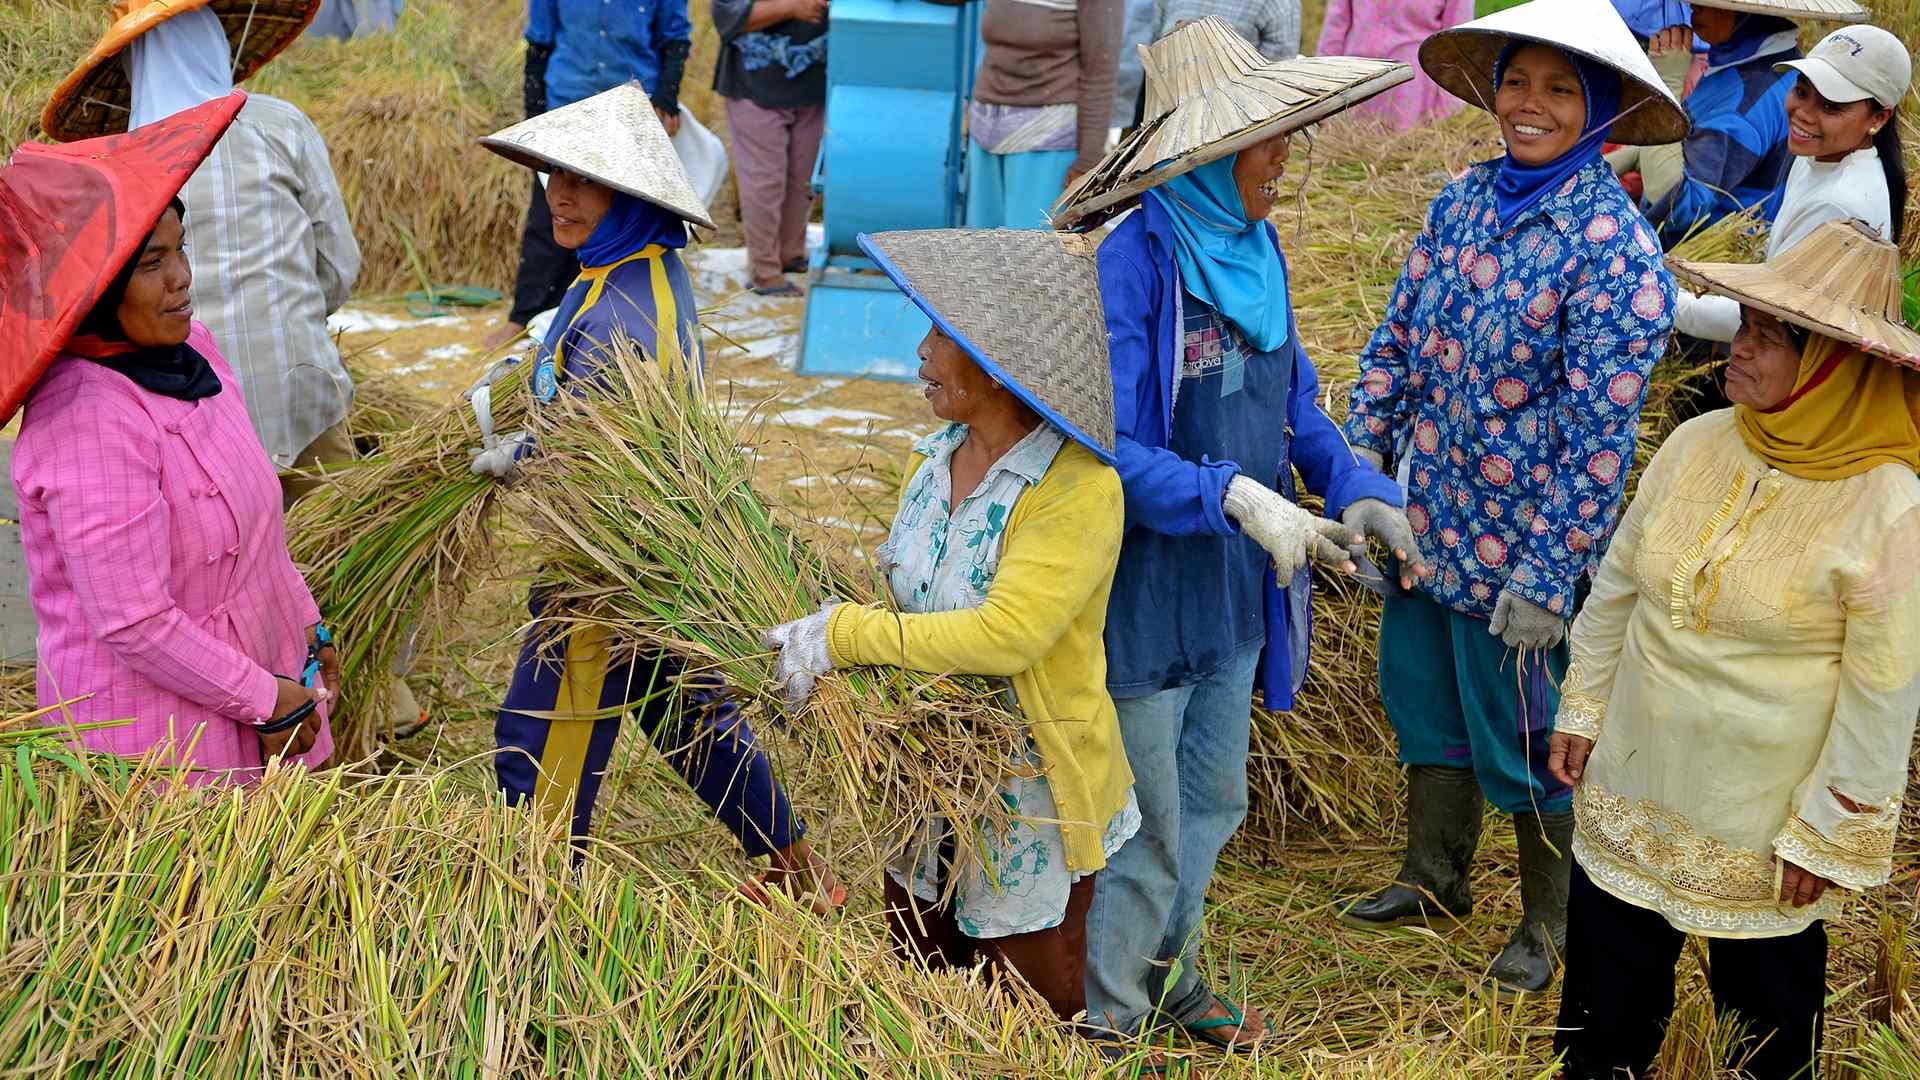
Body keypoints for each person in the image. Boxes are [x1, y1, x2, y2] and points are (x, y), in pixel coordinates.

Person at [1054, 19, 1419, 1052]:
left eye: (1286, 137)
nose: (1283, 160)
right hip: (1146, 585)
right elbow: (1110, 449)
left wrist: (1352, 483)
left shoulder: (1258, 253)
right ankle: (1113, 1017)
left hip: (1238, 591)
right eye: (1268, 141)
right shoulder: (1134, 264)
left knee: (1212, 801)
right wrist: (1234, 498)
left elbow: (1296, 407)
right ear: (1208, 153)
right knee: (1145, 821)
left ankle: (1176, 980)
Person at [1337, 0, 1682, 997]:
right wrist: (1363, 471)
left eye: (1560, 89)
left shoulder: (1616, 253)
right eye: (1517, 82)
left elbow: (1598, 445)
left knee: (1527, 734)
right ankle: (1433, 877)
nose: (1529, 106)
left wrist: (1546, 576)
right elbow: (1393, 345)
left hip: (1520, 551)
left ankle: (1551, 923)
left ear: (1604, 108)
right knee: (1425, 703)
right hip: (1424, 522)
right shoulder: (1463, 199)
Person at [1549, 219, 1920, 1080]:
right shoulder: (1699, 441)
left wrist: (1827, 829)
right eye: (1742, 323)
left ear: (1831, 365)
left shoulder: (1888, 506)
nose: (1737, 347)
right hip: (1636, 775)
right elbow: (1619, 588)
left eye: (1767, 335)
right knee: (1605, 1012)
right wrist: (1584, 705)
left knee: (1763, 1032)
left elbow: (1883, 697)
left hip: (1758, 814)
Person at [471, 84, 837, 906]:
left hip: (613, 564)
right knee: (682, 711)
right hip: (639, 551)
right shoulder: (620, 272)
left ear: (631, 197)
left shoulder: (630, 312)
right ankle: (798, 870)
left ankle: (529, 906)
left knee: (538, 742)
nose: (560, 196)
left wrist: (525, 454)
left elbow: (610, 454)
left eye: (584, 181)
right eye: (551, 177)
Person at [761, 226, 1136, 1024]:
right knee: (920, 995)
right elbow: (906, 592)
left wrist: (846, 638)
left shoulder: (1077, 489)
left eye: (942, 335)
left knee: (1023, 1015)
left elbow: (1007, 635)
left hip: (1027, 797)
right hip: (927, 782)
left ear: (1001, 367)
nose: (923, 353)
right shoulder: (932, 458)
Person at [2, 93, 335, 783]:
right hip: (159, 747)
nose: (182, 278)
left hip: (264, 684)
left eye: (180, 250)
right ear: (97, 290)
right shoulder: (87, 419)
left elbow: (258, 528)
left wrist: (306, 626)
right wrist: (266, 699)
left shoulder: (197, 353)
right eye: (151, 263)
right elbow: (134, 623)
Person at [43, 1, 363, 507]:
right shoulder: (281, 126)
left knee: (224, 563)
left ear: (134, 64)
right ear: (216, 44)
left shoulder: (117, 160)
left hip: (186, 413)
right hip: (302, 392)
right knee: (340, 554)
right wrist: (290, 311)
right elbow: (338, 267)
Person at [1674, 24, 1910, 341]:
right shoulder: (1819, 156)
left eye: (1830, 106)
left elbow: (1771, 315)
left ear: (1878, 118)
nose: (1803, 114)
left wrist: (1668, 301)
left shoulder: (1838, 207)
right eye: (1801, 92)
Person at [486, 0, 694, 348]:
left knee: (619, 219)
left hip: (629, 111)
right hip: (567, 105)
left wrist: (667, 98)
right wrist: (534, 116)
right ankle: (526, 316)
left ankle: (607, 313)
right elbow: (540, 44)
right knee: (551, 217)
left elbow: (673, 39)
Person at [1640, 0, 1871, 247]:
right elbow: (1698, 138)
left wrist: (1663, 89)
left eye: (1713, 3)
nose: (1696, 7)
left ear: (1749, 12)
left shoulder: (1747, 100)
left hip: (1698, 260)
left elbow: (1677, 204)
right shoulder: (1773, 65)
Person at [965, 0, 1122, 230]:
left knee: (1032, 253)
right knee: (977, 249)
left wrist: (1088, 160)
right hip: (984, 133)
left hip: (1046, 139)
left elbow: (1100, 72)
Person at [710, 0, 830, 298]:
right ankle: (765, 272)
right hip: (754, 86)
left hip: (813, 81)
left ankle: (790, 253)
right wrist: (792, 8)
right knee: (765, 181)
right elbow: (727, 18)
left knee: (804, 175)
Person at [1314, 1, 1474, 132]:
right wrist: (1321, 96)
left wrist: (1446, 112)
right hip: (1355, 88)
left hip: (1414, 96)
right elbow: (1335, 29)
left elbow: (1457, 43)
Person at [1157, 0, 1299, 61]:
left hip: (1242, 113)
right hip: (1172, 105)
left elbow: (1278, 71)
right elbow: (1156, 46)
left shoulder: (1279, 3)